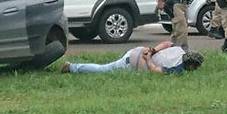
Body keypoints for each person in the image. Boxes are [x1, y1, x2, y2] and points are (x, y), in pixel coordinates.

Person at [60, 41, 204, 75]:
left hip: (137, 51)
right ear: (190, 65)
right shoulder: (178, 69)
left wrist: (152, 50)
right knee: (103, 69)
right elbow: (155, 70)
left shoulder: (179, 50)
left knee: (105, 68)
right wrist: (148, 59)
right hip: (134, 63)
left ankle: (73, 67)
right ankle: (72, 67)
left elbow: (167, 43)